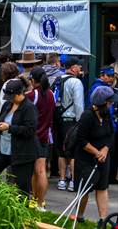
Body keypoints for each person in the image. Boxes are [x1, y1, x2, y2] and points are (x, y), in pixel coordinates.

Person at [0, 78, 38, 195]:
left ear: (20, 93)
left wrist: (9, 128)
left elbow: (30, 130)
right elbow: (1, 118)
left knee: (22, 185)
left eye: (12, 97)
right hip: (3, 148)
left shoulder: (29, 108)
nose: (10, 100)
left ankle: (23, 209)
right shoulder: (7, 104)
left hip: (21, 152)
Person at [74, 86, 118, 228]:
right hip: (86, 158)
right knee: (85, 189)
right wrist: (96, 152)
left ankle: (102, 220)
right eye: (109, 102)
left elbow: (111, 134)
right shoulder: (87, 116)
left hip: (104, 157)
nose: (111, 105)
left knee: (102, 187)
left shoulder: (106, 116)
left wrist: (105, 150)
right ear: (102, 103)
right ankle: (79, 216)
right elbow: (81, 140)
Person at [27, 67, 55, 211]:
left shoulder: (33, 95)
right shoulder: (51, 94)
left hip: (34, 136)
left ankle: (36, 201)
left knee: (35, 171)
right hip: (46, 136)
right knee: (42, 170)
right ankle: (40, 202)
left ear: (33, 80)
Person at [56, 57, 85, 192]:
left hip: (58, 121)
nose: (80, 69)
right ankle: (73, 180)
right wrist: (81, 121)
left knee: (61, 152)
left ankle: (62, 180)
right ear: (73, 68)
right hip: (72, 121)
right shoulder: (76, 82)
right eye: (79, 66)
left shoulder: (58, 80)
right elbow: (79, 104)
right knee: (73, 152)